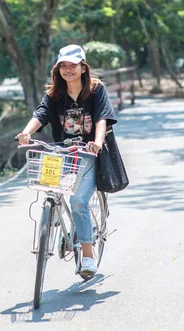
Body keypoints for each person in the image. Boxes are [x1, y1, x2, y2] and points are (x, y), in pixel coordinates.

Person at [17, 44, 117, 278]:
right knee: (52, 192)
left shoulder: (96, 90)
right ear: (57, 69)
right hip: (62, 153)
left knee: (79, 202)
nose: (68, 70)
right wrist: (26, 133)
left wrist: (97, 142)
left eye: (73, 65)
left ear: (83, 67)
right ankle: (58, 221)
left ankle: (88, 256)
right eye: (63, 65)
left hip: (88, 152)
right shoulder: (54, 95)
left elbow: (102, 119)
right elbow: (40, 114)